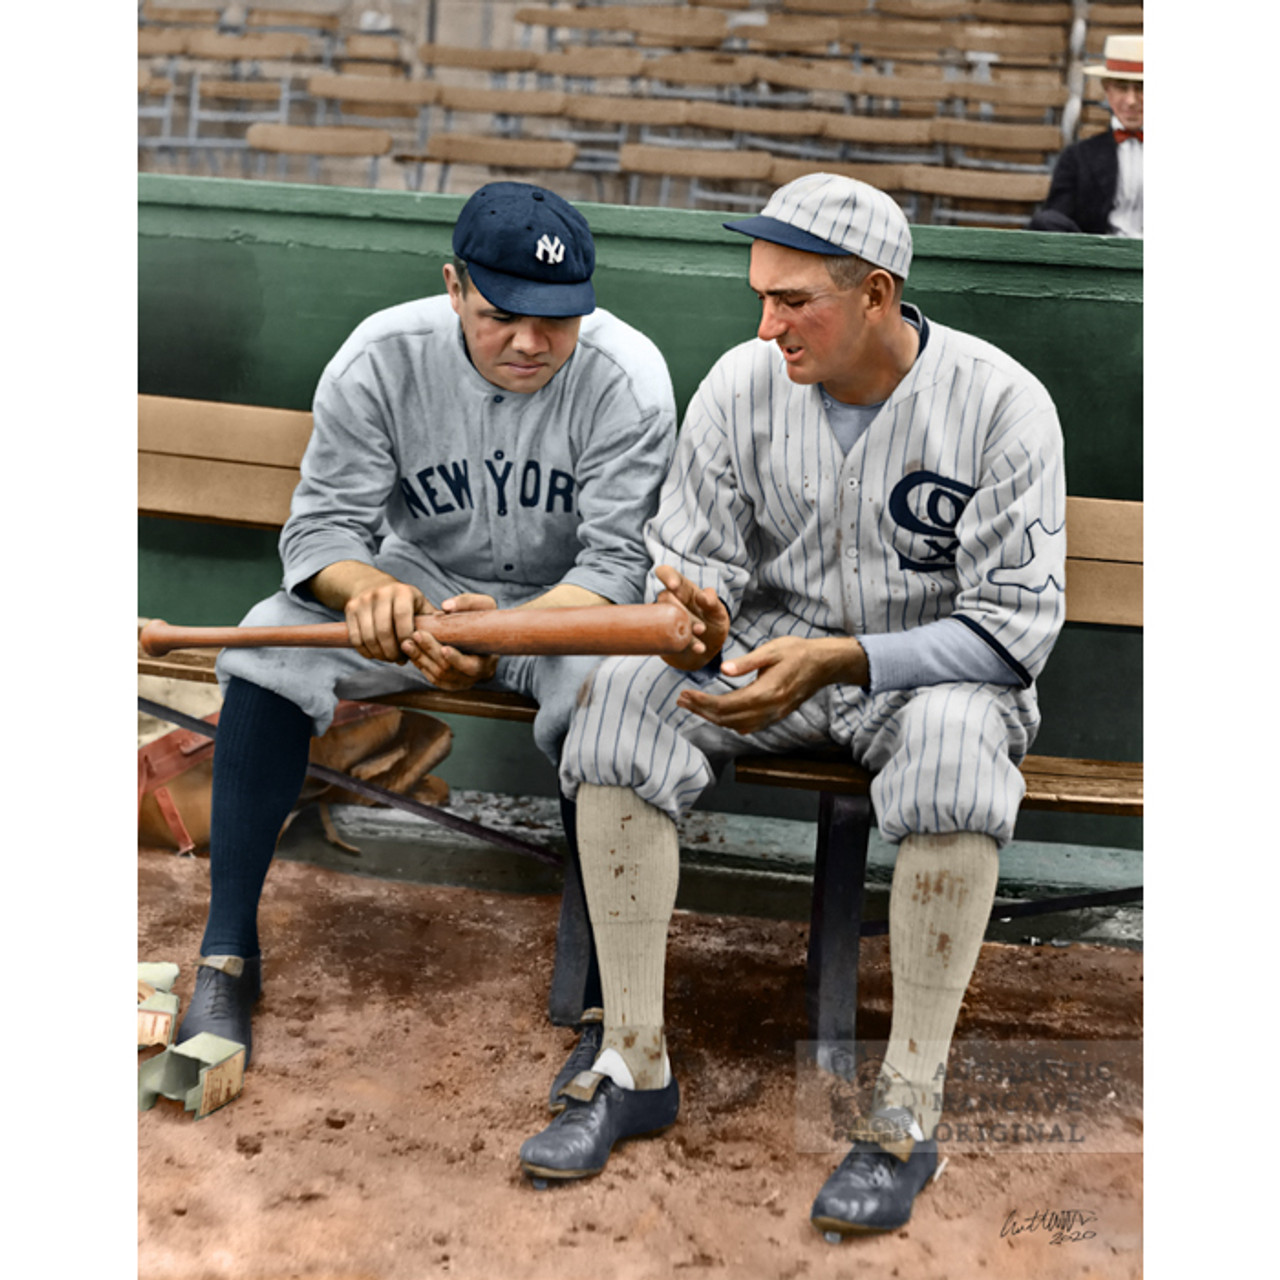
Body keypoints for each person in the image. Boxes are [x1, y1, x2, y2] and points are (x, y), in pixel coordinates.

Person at [517, 172, 1067, 1239]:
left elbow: (1010, 629)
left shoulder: (1000, 402)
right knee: (620, 704)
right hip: (766, 663)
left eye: (793, 300)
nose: (765, 323)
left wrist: (848, 657)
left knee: (958, 753)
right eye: (759, 295)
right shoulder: (740, 382)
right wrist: (696, 617)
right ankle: (630, 1058)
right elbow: (691, 567)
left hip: (923, 677)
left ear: (874, 292)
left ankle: (905, 1104)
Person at [175, 182, 677, 1092]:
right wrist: (367, 592)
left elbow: (616, 568)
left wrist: (505, 633)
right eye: (502, 315)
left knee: (614, 701)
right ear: (454, 287)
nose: (531, 342)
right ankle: (225, 958)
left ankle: (608, 1003)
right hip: (422, 588)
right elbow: (320, 531)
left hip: (566, 610)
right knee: (266, 641)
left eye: (557, 320)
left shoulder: (627, 378)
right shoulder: (381, 356)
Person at [1029, 34, 1143, 236]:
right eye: (1122, 88)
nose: (1131, 101)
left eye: (1142, 88)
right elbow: (1054, 218)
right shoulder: (1079, 157)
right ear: (1107, 90)